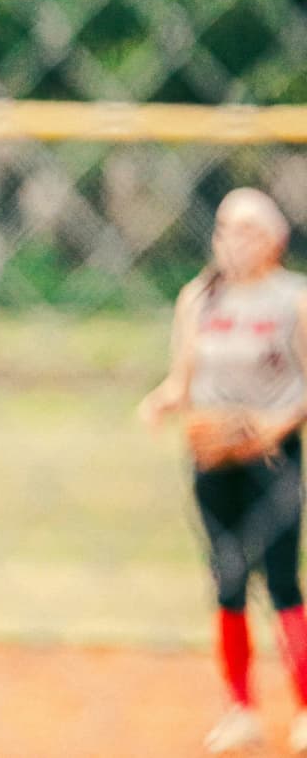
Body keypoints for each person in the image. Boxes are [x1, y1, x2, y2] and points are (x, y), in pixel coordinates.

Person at [139, 187, 307, 754]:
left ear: (276, 241)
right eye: (225, 228)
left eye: (247, 230)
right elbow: (181, 379)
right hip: (211, 458)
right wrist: (161, 402)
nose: (233, 240)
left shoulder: (294, 299)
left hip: (273, 459)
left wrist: (271, 428)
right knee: (228, 579)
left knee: (283, 581)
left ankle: (305, 707)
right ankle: (242, 710)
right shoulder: (199, 297)